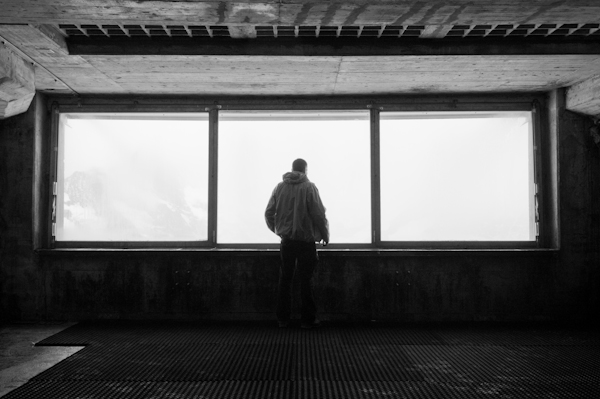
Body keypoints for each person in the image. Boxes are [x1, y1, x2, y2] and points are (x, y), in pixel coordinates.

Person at [265, 158, 329, 329]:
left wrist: (279, 230)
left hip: (287, 241)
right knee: (305, 280)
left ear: (292, 169)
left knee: (285, 279)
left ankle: (283, 320)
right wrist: (325, 234)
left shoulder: (280, 187)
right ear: (305, 170)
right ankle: (307, 320)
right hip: (306, 242)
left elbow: (269, 213)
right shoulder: (309, 188)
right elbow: (318, 214)